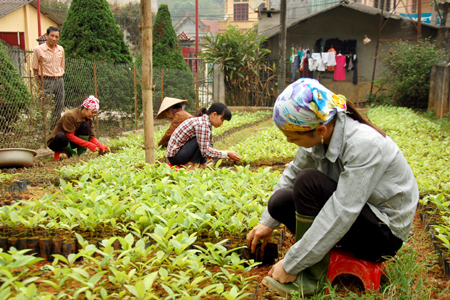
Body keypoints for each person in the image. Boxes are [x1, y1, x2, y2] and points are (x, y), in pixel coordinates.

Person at [246, 78, 418, 297]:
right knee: (279, 202)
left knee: (309, 182)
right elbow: (291, 173)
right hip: (359, 219)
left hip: (382, 236)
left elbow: (343, 210)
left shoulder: (364, 144)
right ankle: (314, 256)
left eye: (293, 138)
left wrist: (291, 263)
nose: (290, 142)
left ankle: (310, 278)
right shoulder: (320, 136)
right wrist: (266, 223)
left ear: (320, 129)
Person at [166, 102, 241, 170]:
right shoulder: (202, 125)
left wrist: (226, 155)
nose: (222, 123)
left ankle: (203, 165)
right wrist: (226, 153)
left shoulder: (204, 123)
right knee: (200, 141)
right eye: (222, 120)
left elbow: (206, 149)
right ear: (214, 114)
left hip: (180, 153)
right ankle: (190, 166)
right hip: (175, 157)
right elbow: (206, 151)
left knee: (203, 140)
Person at [47, 96, 110, 161]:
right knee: (61, 136)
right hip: (57, 143)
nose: (93, 114)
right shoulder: (70, 116)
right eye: (92, 112)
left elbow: (91, 137)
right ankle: (71, 153)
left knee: (86, 125)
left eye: (95, 113)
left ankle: (81, 154)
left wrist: (101, 146)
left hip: (71, 143)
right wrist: (89, 145)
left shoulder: (88, 119)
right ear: (85, 108)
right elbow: (70, 136)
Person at [32, 26, 65, 130]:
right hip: (46, 80)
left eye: (56, 37)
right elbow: (35, 68)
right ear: (47, 36)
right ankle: (40, 132)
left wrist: (60, 75)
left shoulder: (61, 49)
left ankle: (54, 130)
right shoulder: (38, 49)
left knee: (59, 106)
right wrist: (39, 84)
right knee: (43, 107)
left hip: (59, 79)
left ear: (59, 38)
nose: (54, 39)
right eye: (52, 36)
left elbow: (62, 65)